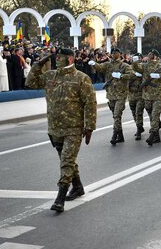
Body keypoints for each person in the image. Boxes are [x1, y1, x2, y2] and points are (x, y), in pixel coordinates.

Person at [26, 48, 97, 213]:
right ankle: (78, 186)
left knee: (66, 160)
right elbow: (30, 83)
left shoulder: (81, 78)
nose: (57, 60)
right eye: (56, 57)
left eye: (60, 57)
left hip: (73, 127)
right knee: (67, 160)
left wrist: (89, 127)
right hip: (55, 127)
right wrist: (39, 64)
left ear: (70, 59)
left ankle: (60, 196)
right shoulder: (51, 75)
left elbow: (90, 103)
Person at [89, 48, 133, 145]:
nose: (114, 54)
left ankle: (115, 134)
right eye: (113, 53)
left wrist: (120, 76)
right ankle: (120, 135)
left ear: (120, 54)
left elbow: (132, 75)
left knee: (117, 115)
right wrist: (94, 64)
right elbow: (100, 67)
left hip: (121, 94)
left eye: (116, 53)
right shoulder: (108, 64)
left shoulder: (124, 65)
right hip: (111, 94)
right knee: (115, 116)